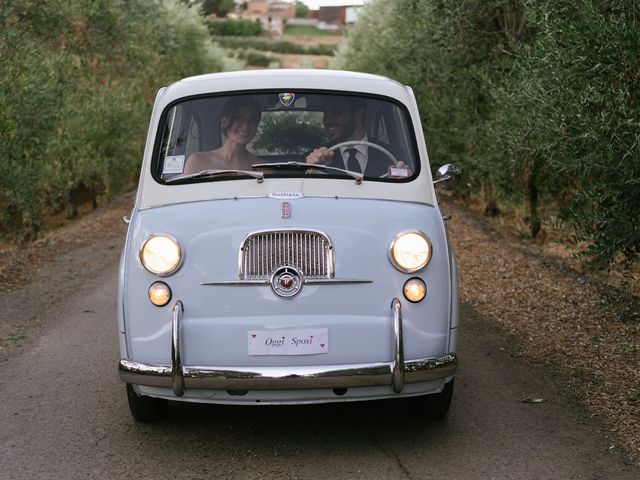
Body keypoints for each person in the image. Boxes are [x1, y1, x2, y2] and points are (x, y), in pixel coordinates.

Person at [306, 96, 401, 177]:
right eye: (326, 114)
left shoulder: (392, 156)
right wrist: (313, 170)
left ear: (358, 114)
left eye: (336, 113)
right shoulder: (316, 158)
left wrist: (402, 177)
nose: (326, 120)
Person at [184, 97, 261, 174]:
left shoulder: (260, 166)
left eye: (252, 120)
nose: (245, 126)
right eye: (238, 118)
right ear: (224, 122)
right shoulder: (198, 162)